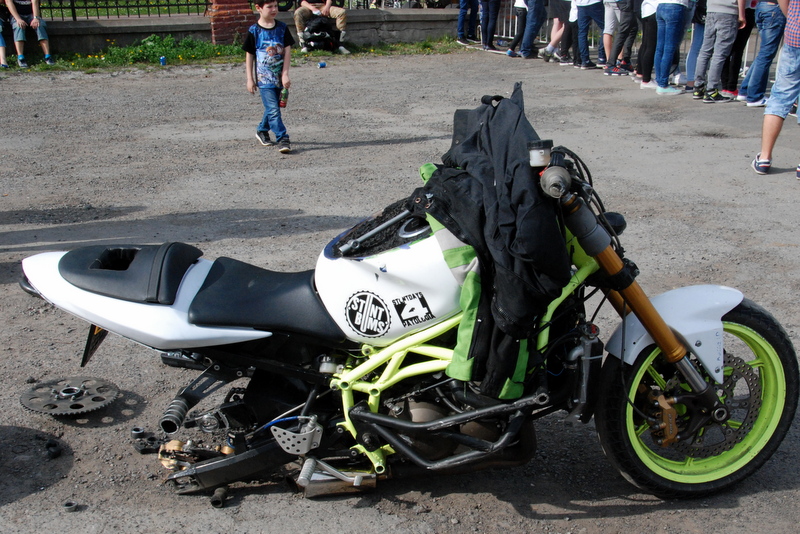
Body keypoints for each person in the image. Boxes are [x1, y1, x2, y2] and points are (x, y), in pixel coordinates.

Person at [751, 0, 800, 177]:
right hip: (794, 35)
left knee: (780, 97)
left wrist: (792, 18)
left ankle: (764, 157)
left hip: (794, 36)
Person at [244, 0, 294, 154]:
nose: (274, 9)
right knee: (273, 109)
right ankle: (282, 138)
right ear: (258, 8)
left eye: (276, 6)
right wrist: (250, 79)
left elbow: (287, 51)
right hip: (264, 79)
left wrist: (285, 74)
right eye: (269, 7)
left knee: (273, 107)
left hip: (279, 78)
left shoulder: (282, 28)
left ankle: (262, 130)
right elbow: (249, 56)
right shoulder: (254, 31)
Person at [692, 0, 747, 102]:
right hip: (728, 12)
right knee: (719, 54)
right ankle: (711, 90)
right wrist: (742, 15)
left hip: (711, 10)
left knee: (705, 51)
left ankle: (698, 87)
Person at [738, 0, 787, 106]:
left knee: (763, 54)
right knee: (766, 55)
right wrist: (789, 16)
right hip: (774, 8)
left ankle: (746, 90)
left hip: (762, 7)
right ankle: (754, 96)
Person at [654, 0, 690, 94]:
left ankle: (659, 81)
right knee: (669, 48)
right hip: (676, 6)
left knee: (660, 48)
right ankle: (663, 84)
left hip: (661, 5)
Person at [4, 0, 54, 67]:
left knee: (40, 25)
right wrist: (18, 19)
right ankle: (20, 57)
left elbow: (35, 2)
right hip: (17, 15)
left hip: (31, 14)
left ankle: (47, 56)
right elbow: (8, 2)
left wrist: (35, 18)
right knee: (18, 26)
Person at [604, 0, 638, 74]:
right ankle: (613, 63)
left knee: (610, 30)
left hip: (610, 2)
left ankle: (621, 61)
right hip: (624, 2)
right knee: (624, 30)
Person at [575, 0, 607, 68]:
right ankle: (602, 57)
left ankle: (585, 60)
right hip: (595, 3)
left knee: (582, 32)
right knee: (605, 28)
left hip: (580, 4)